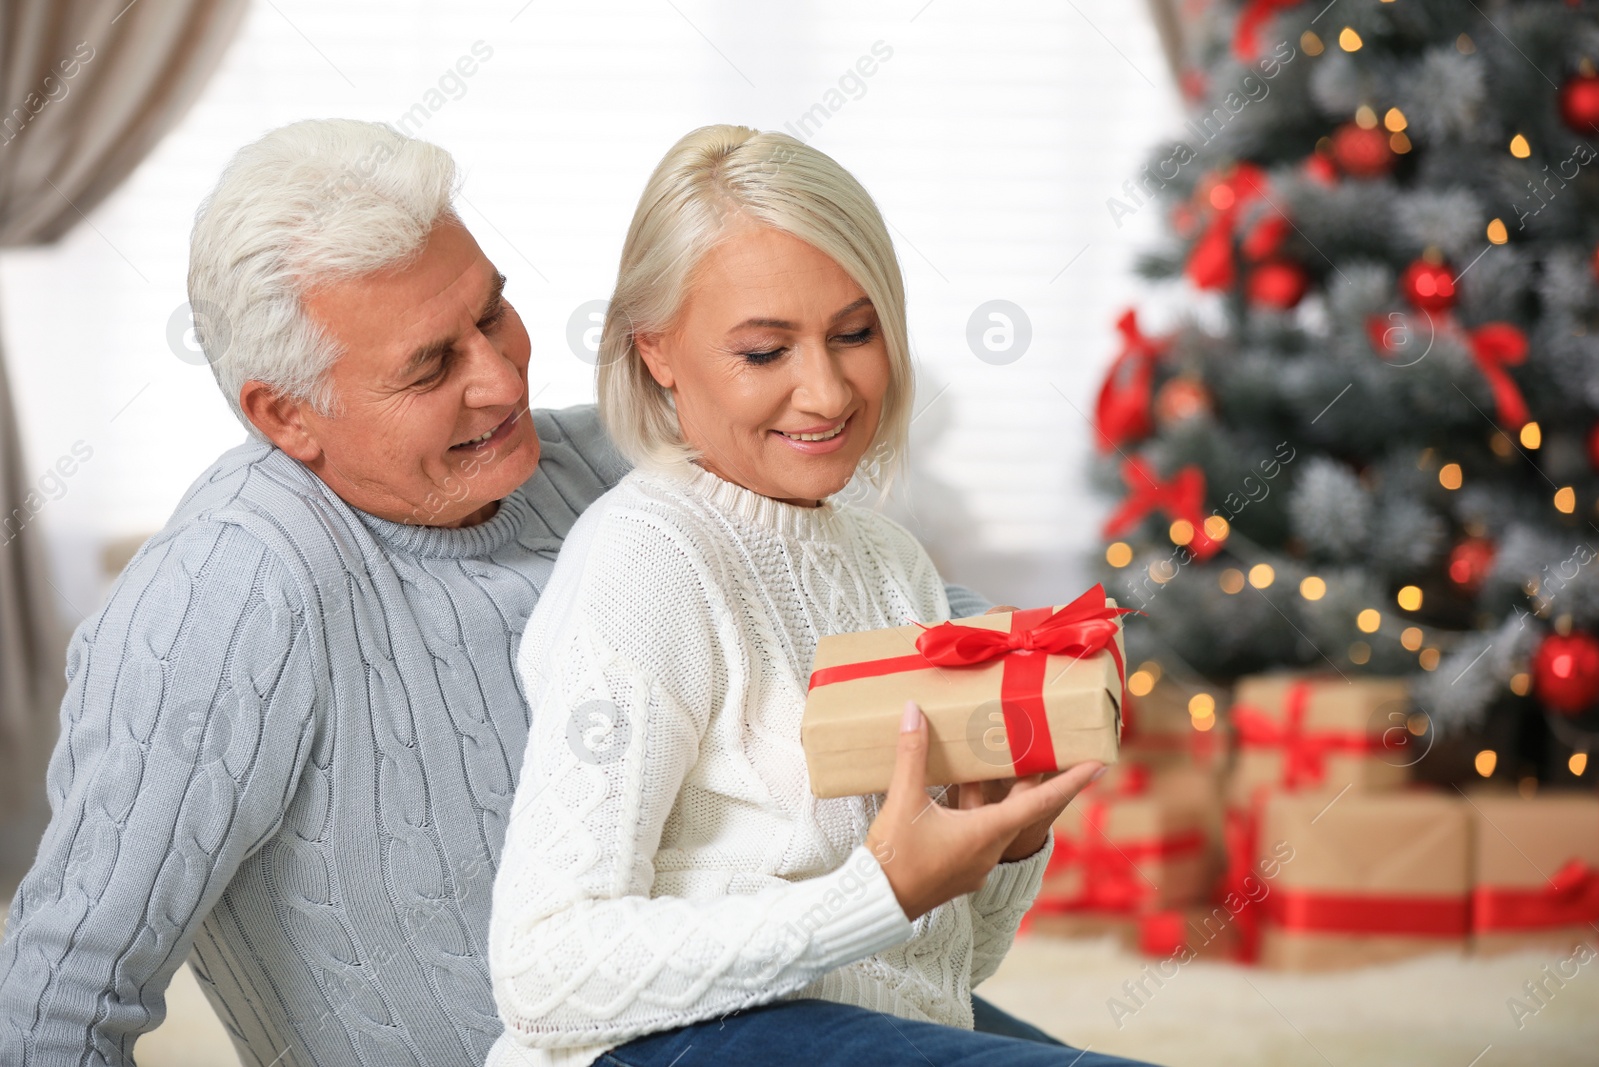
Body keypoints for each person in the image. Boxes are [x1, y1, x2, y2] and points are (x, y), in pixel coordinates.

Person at [0, 118, 1028, 1066]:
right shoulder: (225, 603)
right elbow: (58, 998)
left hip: (767, 986)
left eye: (491, 309)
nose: (501, 378)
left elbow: (852, 594)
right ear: (287, 414)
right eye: (431, 365)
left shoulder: (593, 462)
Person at [488, 126, 1155, 1067]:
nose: (828, 390)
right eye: (765, 352)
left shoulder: (890, 560)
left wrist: (1002, 840)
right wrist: (876, 888)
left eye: (855, 333)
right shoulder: (646, 559)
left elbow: (944, 969)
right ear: (658, 353)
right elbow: (543, 971)